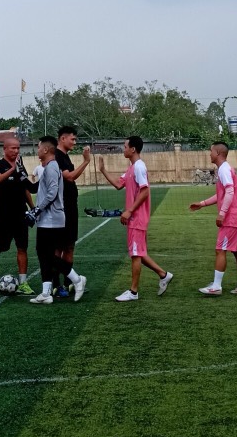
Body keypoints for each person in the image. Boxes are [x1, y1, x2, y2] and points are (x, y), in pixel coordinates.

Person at [99, 136, 173, 302]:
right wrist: (103, 170)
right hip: (136, 219)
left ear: (133, 149)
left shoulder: (139, 167)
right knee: (138, 252)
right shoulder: (132, 167)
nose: (123, 149)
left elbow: (145, 191)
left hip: (137, 218)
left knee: (135, 254)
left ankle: (133, 292)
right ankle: (163, 275)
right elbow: (118, 184)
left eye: (125, 146)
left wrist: (129, 211)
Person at [27, 136, 87, 304]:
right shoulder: (49, 168)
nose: (37, 150)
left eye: (39, 147)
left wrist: (37, 210)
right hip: (47, 219)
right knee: (43, 254)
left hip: (52, 219)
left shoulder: (52, 167)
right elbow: (37, 188)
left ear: (46, 149)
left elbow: (52, 193)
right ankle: (46, 293)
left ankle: (76, 279)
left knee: (47, 254)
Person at [189, 142, 237, 295]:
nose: (209, 154)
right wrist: (202, 204)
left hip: (231, 219)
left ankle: (216, 286)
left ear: (217, 153)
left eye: (211, 151)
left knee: (220, 250)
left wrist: (222, 213)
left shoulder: (224, 169)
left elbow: (230, 192)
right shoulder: (225, 169)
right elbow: (222, 194)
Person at [0, 138, 36, 295]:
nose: (16, 151)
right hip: (4, 214)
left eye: (18, 148)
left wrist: (33, 208)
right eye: (13, 148)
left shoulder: (21, 166)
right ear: (5, 149)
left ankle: (23, 283)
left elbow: (26, 188)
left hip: (20, 213)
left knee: (22, 248)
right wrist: (13, 169)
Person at [52, 125, 92, 297]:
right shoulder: (57, 156)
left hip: (70, 207)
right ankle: (56, 285)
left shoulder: (65, 156)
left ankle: (69, 283)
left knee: (69, 246)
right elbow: (69, 177)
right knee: (58, 248)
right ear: (63, 138)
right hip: (62, 209)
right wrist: (86, 161)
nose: (74, 142)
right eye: (72, 139)